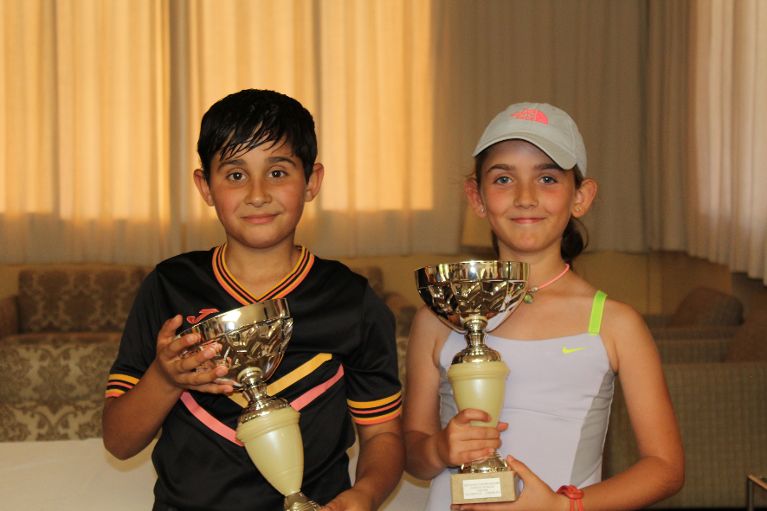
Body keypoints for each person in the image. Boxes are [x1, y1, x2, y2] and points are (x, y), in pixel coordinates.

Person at [102, 89, 404, 511]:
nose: (258, 193)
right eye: (235, 175)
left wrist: (365, 495)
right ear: (205, 186)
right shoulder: (169, 286)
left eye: (278, 172)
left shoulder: (351, 299)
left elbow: (383, 435)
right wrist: (166, 377)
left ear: (312, 181)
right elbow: (118, 441)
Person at [403, 102, 684, 510]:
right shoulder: (439, 316)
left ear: (581, 197)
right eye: (503, 178)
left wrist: (561, 506)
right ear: (476, 196)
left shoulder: (615, 323)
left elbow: (665, 467)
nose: (525, 197)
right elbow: (413, 452)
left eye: (547, 178)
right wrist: (440, 449)